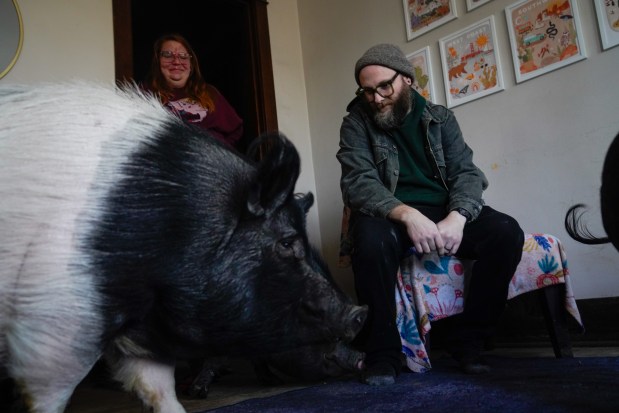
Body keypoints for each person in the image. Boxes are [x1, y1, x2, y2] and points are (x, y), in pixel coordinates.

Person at [337, 44, 524, 386]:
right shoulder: (355, 123)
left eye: (384, 87)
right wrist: (406, 214)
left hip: (443, 208)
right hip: (388, 212)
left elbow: (466, 173)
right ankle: (383, 353)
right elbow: (358, 183)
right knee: (369, 239)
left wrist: (458, 216)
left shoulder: (440, 118)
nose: (376, 98)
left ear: (406, 79)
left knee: (506, 231)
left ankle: (469, 341)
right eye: (367, 91)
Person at [143, 33, 243, 149]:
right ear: (157, 62)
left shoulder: (209, 93)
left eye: (183, 56)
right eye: (167, 55)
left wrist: (220, 153)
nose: (176, 61)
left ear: (191, 65)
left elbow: (236, 129)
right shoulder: (145, 94)